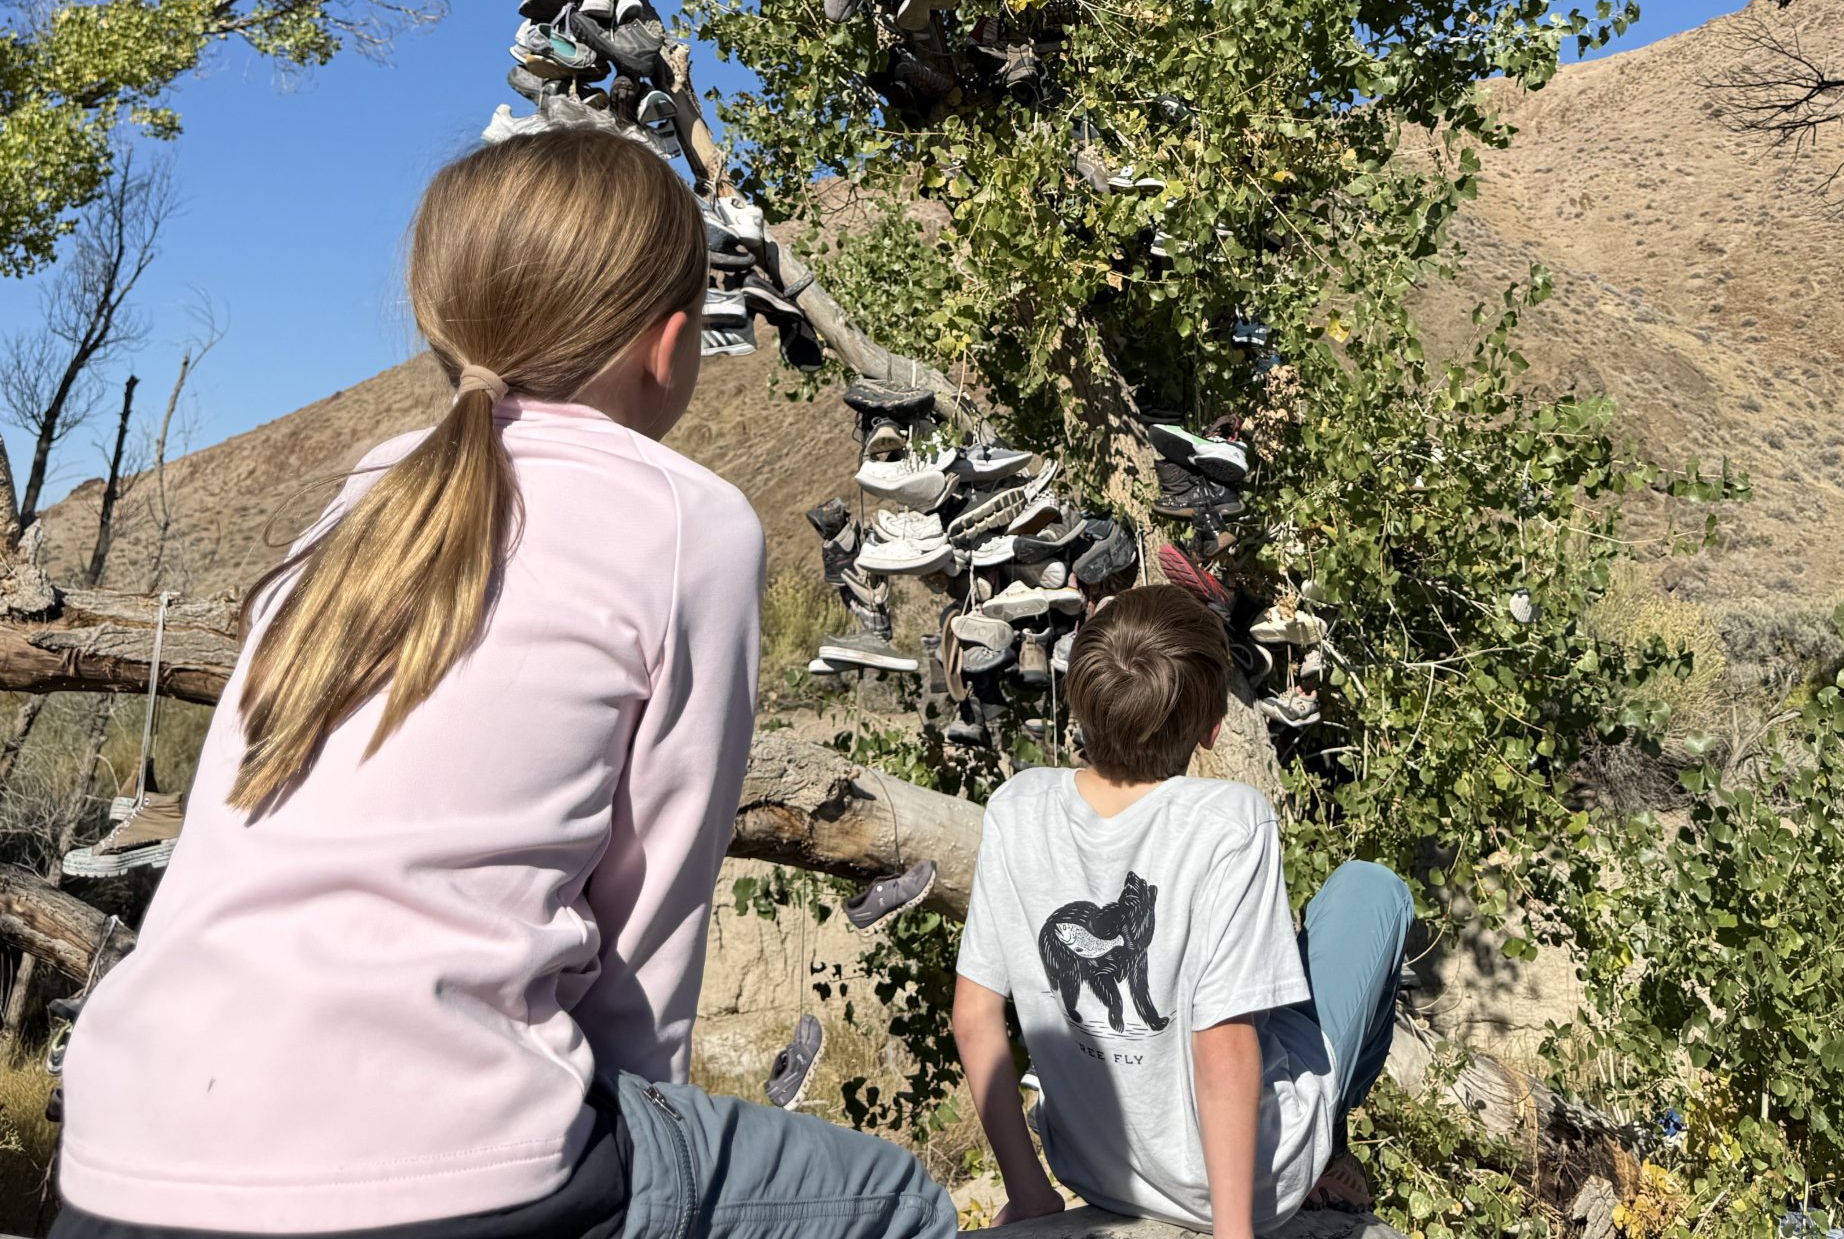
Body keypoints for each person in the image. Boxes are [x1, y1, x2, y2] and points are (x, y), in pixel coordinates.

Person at [54, 125, 953, 1239]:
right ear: (670, 344)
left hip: (117, 1157)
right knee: (894, 1201)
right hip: (442, 1166)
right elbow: (647, 930)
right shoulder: (683, 521)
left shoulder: (362, 504)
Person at [951, 584, 1412, 1230]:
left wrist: (1029, 1195)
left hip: (1097, 1172)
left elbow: (974, 1016)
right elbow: (1222, 1046)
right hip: (1249, 1186)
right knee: (1370, 890)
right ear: (1212, 723)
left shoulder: (1017, 807)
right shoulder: (1229, 821)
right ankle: (1327, 1137)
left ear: (1079, 701)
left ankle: (1321, 1138)